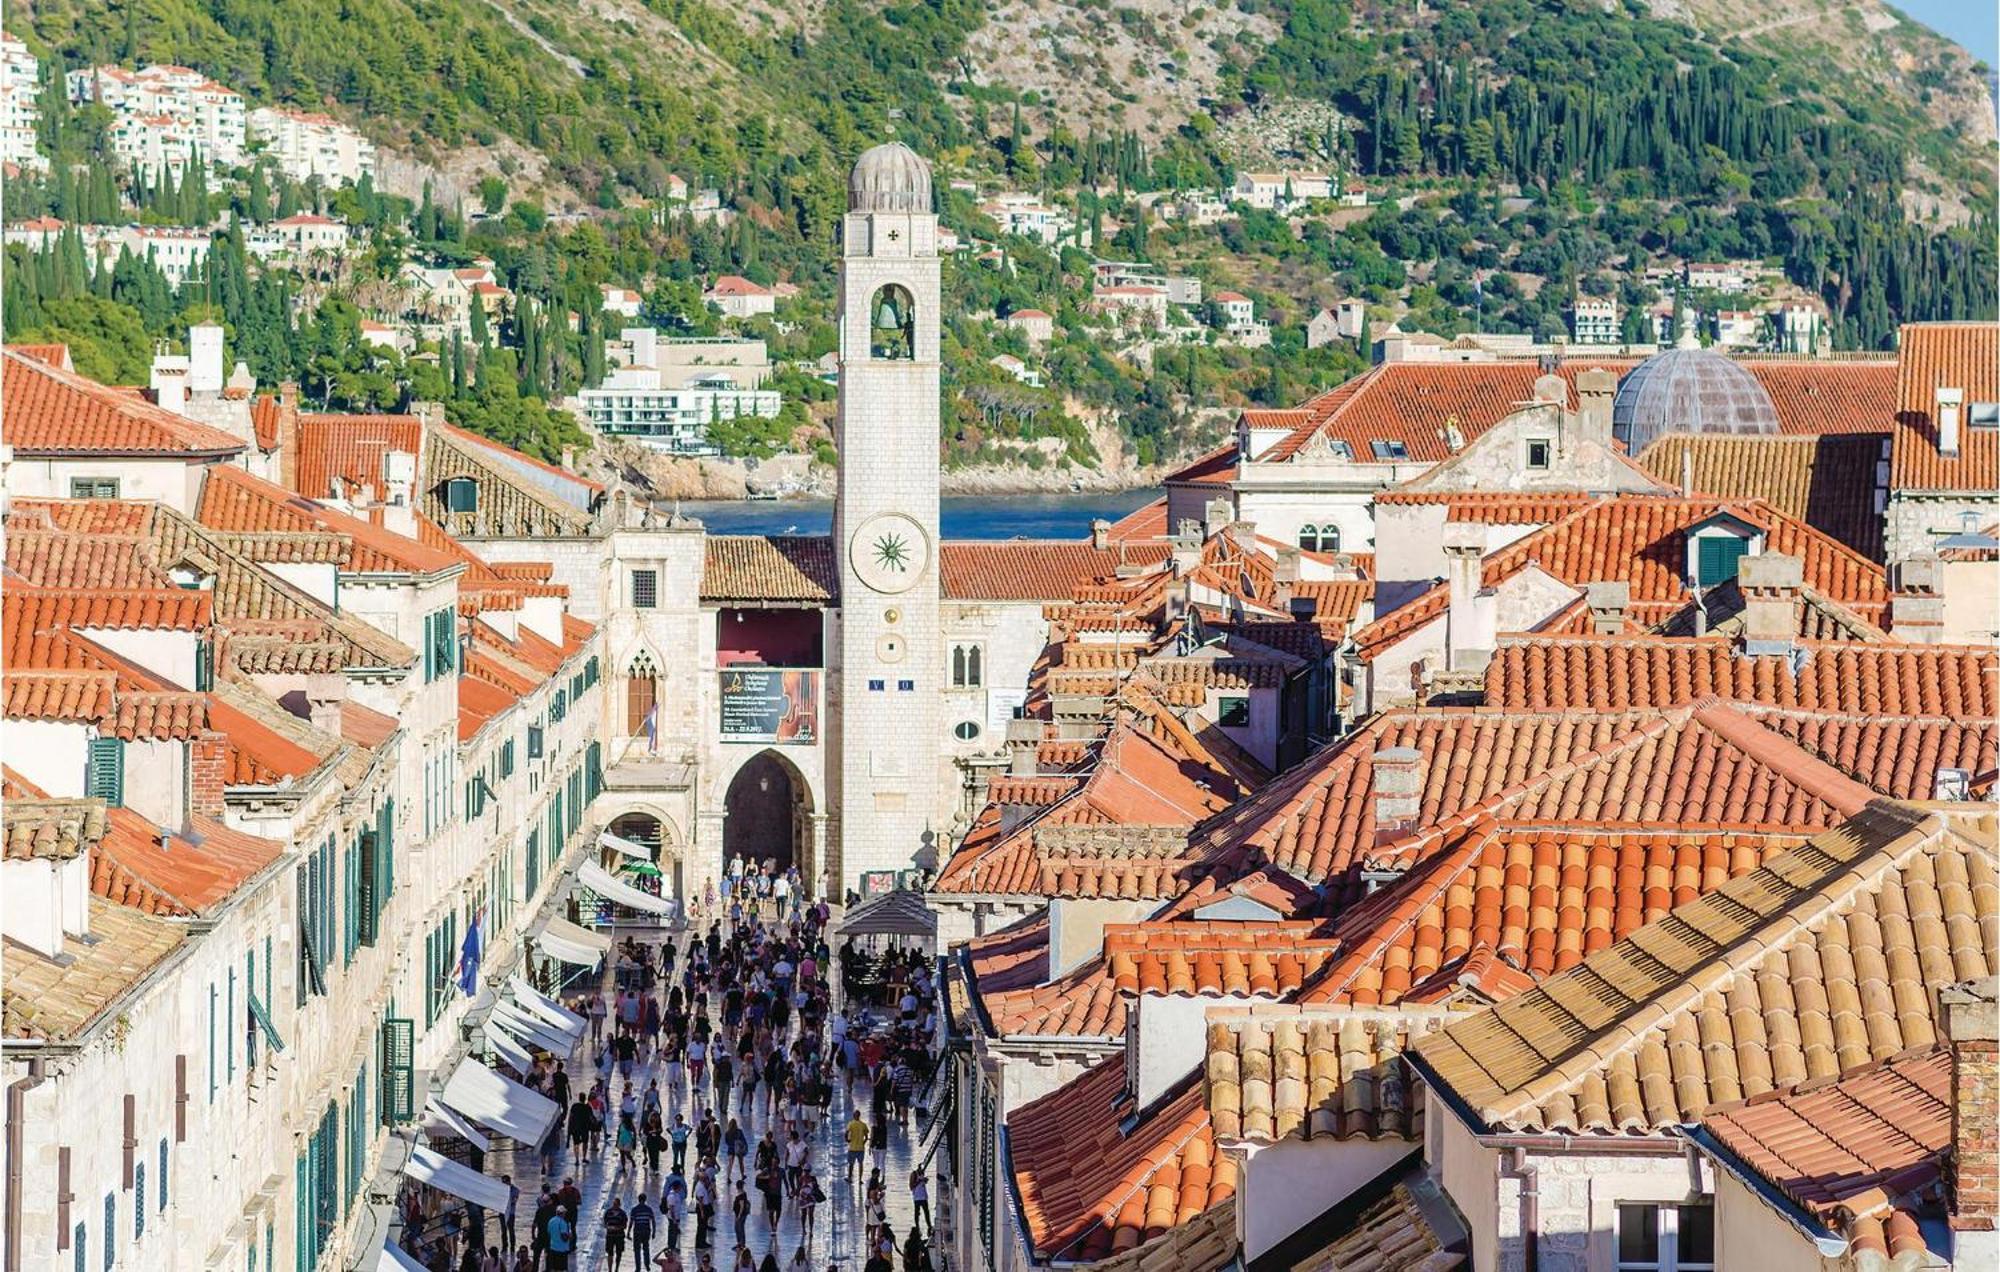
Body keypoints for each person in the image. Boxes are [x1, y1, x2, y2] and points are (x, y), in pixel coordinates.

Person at [604, 1196, 631, 1272]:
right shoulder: (608, 1212)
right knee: (610, 1253)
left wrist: (618, 1228)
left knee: (619, 1253)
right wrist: (608, 1227)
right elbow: (605, 1223)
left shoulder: (623, 1214)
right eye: (614, 1204)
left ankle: (616, 1268)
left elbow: (625, 1225)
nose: (615, 1206)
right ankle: (610, 1269)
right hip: (610, 1236)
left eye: (616, 1204)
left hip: (619, 1236)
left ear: (619, 1205)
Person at [630, 1195, 657, 1269]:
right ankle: (647, 1264)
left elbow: (631, 1222)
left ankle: (638, 1267)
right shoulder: (649, 1209)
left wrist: (628, 1232)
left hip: (637, 1231)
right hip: (646, 1231)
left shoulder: (634, 1209)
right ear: (645, 1200)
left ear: (638, 1200)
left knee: (637, 1249)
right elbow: (653, 1221)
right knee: (646, 1248)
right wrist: (654, 1232)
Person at [844, 1112, 868, 1185]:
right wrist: (863, 1142)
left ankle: (849, 1177)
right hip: (861, 1148)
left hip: (852, 1148)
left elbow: (846, 1133)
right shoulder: (863, 1125)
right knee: (860, 1164)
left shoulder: (851, 1124)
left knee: (851, 1164)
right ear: (859, 1116)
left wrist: (847, 1140)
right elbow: (866, 1136)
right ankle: (860, 1179)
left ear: (853, 1116)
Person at [500, 1174, 519, 1251]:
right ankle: (504, 1246)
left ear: (509, 1181)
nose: (503, 1184)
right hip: (502, 1212)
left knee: (511, 1230)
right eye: (502, 1182)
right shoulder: (500, 1189)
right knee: (503, 1230)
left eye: (505, 1182)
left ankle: (512, 1247)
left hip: (510, 1213)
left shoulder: (515, 1190)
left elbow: (514, 1201)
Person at [909, 1169, 930, 1235]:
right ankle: (917, 1226)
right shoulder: (914, 1174)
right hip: (917, 1198)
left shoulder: (922, 1175)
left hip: (924, 1197)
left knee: (926, 1212)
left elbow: (925, 1182)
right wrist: (919, 1181)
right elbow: (911, 1187)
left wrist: (924, 1180)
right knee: (917, 1213)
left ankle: (929, 1225)